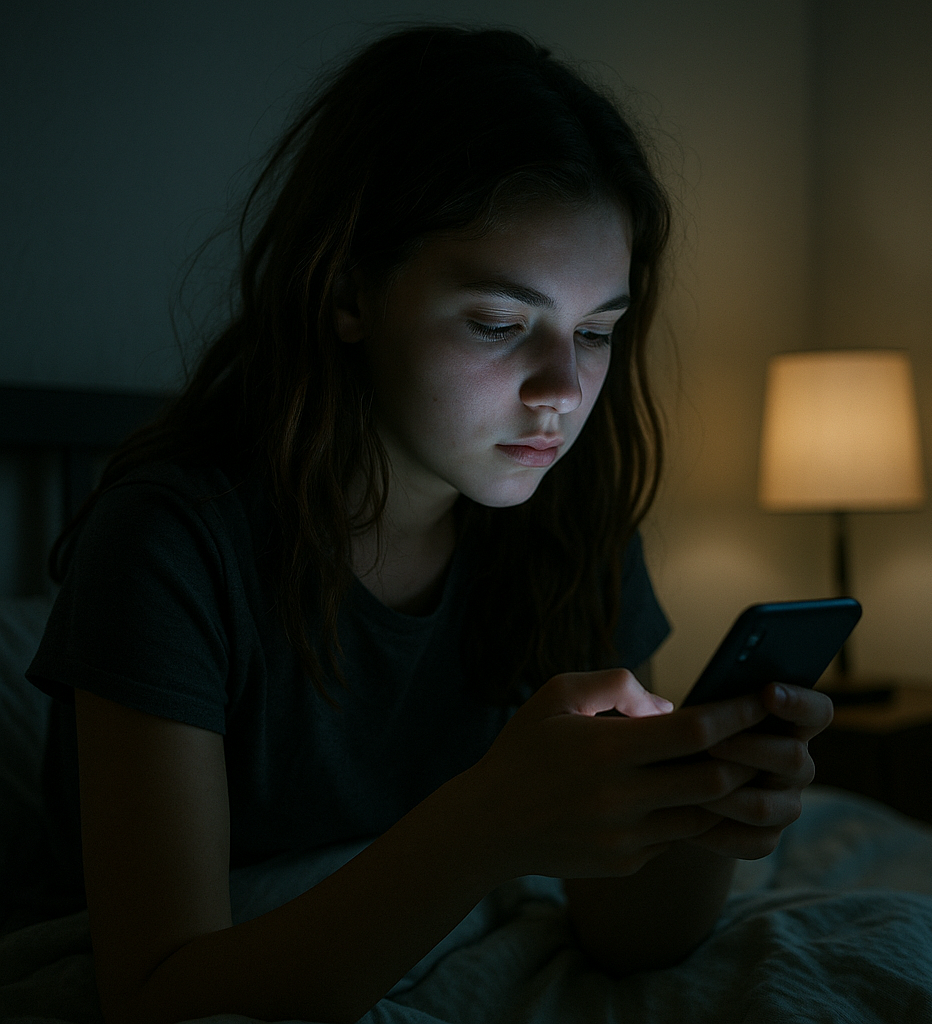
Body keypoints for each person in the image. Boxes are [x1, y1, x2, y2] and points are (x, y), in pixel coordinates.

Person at [27, 25, 833, 1024]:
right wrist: (486, 825)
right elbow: (158, 995)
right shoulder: (171, 542)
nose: (563, 391)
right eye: (499, 325)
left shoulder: (566, 524)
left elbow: (625, 934)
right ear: (344, 290)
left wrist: (707, 809)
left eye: (595, 333)